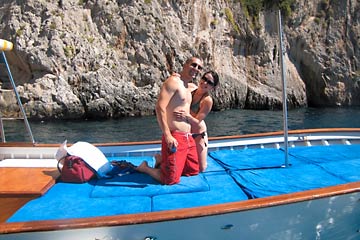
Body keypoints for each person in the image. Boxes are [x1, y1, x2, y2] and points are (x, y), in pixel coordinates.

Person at [137, 57, 204, 185]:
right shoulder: (173, 82)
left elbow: (203, 89)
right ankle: (144, 168)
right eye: (193, 65)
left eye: (199, 67)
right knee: (169, 180)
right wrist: (167, 135)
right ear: (185, 65)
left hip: (188, 137)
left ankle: (161, 160)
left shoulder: (188, 87)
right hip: (175, 136)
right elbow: (159, 107)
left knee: (192, 170)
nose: (196, 69)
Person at [174, 70, 219, 172]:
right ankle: (159, 158)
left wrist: (186, 115)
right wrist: (175, 76)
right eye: (204, 78)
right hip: (185, 131)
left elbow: (197, 121)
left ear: (213, 87)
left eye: (210, 82)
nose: (205, 83)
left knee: (201, 168)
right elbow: (178, 83)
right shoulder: (190, 87)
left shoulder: (207, 100)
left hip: (198, 134)